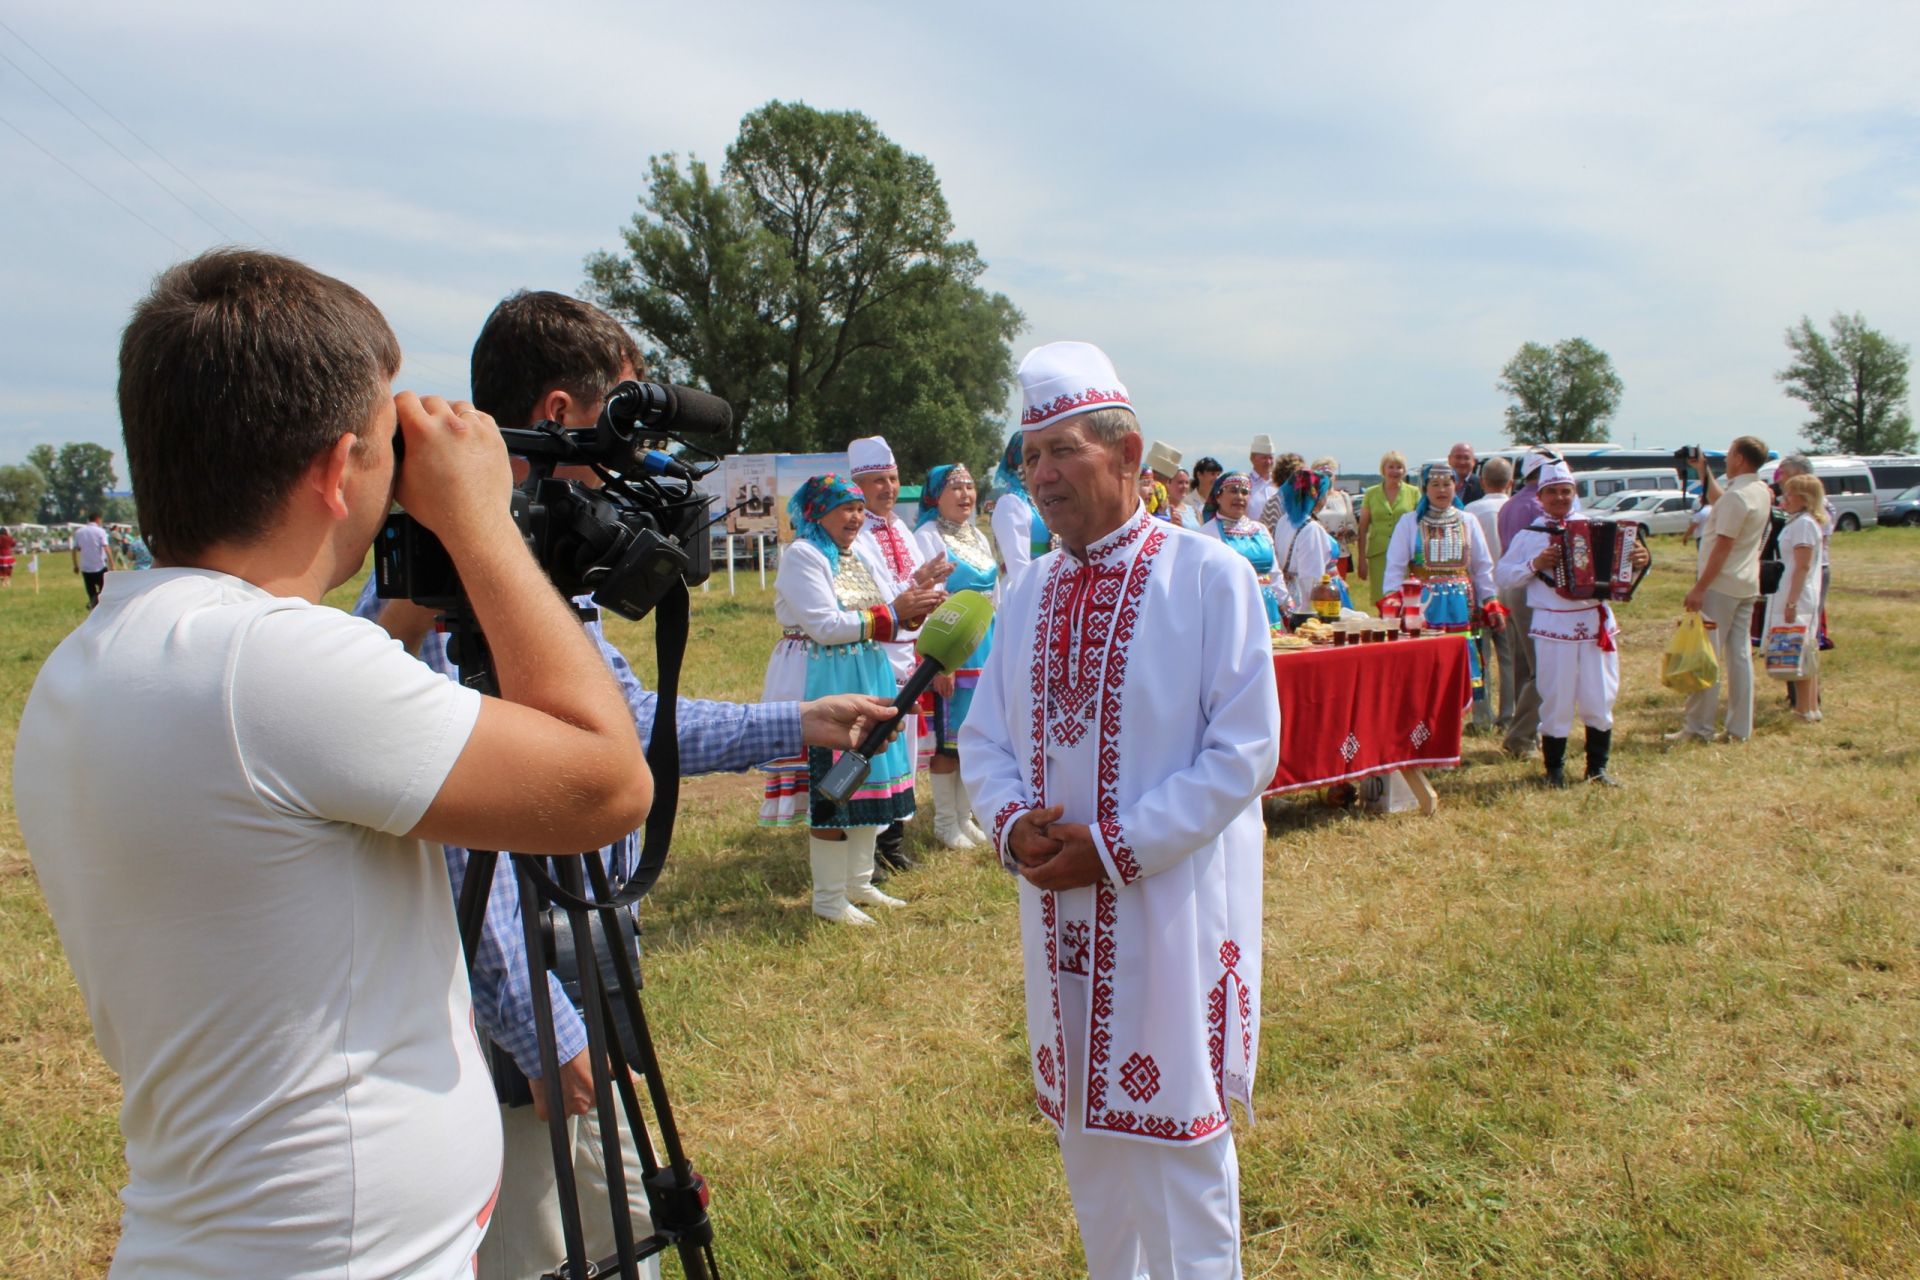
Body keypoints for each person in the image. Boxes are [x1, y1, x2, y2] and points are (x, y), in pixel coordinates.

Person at [13, 248, 669, 1278]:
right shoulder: (273, 666)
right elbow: (605, 784)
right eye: (382, 441)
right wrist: (480, 526)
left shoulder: (92, 663)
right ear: (333, 469)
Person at [360, 289, 901, 1280]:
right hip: (507, 1004)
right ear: (562, 413)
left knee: (622, 1236)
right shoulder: (438, 588)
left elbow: (628, 730)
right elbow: (442, 829)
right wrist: (542, 1022)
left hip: (581, 960)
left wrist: (796, 723)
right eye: (624, 413)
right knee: (550, 1244)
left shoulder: (543, 564)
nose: (635, 452)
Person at [960, 339, 1278, 1280]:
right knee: (1091, 1156)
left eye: (1063, 450)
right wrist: (1014, 824)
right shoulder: (1027, 591)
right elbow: (985, 741)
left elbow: (1245, 750)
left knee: (1181, 1155)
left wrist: (1115, 847)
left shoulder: (1208, 576)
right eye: (1029, 457)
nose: (1042, 475)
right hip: (1058, 920)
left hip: (1167, 913)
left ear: (1129, 456)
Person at [762, 474, 939, 924]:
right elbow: (823, 624)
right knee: (835, 784)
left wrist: (912, 601)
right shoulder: (803, 554)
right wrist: (893, 614)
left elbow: (885, 608)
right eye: (846, 508)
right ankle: (827, 898)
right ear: (817, 511)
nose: (857, 517)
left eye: (860, 508)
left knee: (869, 775)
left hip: (864, 668)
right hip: (821, 676)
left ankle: (859, 883)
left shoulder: (856, 553)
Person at [1495, 462, 1650, 786]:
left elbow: (1621, 576)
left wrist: (1638, 563)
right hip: (1553, 625)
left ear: (1574, 494)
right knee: (1555, 696)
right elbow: (1504, 575)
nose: (1560, 497)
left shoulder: (1593, 525)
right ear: (1541, 496)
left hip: (1595, 623)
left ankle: (1597, 768)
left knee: (1600, 694)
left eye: (1566, 491)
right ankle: (1554, 769)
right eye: (1552, 492)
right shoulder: (1531, 535)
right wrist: (1535, 564)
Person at [849, 435, 953, 872]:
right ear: (859, 486)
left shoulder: (901, 529)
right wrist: (917, 586)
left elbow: (914, 587)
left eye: (892, 479)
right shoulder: (856, 537)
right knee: (876, 746)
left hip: (909, 652)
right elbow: (876, 597)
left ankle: (892, 840)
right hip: (874, 650)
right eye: (878, 481)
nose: (888, 489)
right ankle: (867, 847)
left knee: (905, 750)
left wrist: (929, 589)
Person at [912, 463, 997, 846]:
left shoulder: (977, 535)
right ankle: (946, 821)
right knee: (950, 735)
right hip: (952, 641)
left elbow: (994, 592)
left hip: (984, 640)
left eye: (970, 486)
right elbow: (930, 597)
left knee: (973, 732)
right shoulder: (929, 536)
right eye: (955, 488)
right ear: (935, 496)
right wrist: (940, 661)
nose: (965, 495)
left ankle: (965, 817)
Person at [1671, 437, 1772, 744]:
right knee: (1739, 656)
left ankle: (1699, 727)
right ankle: (1740, 727)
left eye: (1729, 455)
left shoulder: (1737, 498)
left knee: (1707, 656)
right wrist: (1704, 472)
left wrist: (1700, 587)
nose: (1726, 459)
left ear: (1739, 458)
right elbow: (1721, 500)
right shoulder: (1759, 491)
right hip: (1745, 583)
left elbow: (1722, 545)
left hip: (1721, 584)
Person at [1382, 467, 1506, 699]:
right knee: (1425, 660)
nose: (1441, 490)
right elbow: (1395, 567)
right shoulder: (1410, 522)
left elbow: (1481, 565)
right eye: (1435, 485)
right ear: (1424, 489)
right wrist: (1393, 600)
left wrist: (1489, 599)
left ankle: (1459, 710)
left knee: (1460, 659)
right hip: (1423, 605)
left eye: (1447, 484)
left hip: (1461, 604)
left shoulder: (1468, 520)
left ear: (1456, 486)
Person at [1496, 448, 1566, 758]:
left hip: (1514, 587)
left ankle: (1526, 731)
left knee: (1524, 666)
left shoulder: (1512, 504)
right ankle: (1523, 735)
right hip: (1531, 588)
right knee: (1543, 667)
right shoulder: (1537, 508)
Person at [1768, 473, 1827, 722]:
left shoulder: (1803, 524)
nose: (1785, 498)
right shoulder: (1801, 521)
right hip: (1795, 593)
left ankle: (1804, 708)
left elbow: (1801, 566)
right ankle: (1810, 706)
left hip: (1797, 595)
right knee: (1806, 649)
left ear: (1805, 498)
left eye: (1790, 494)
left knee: (1797, 650)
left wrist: (1791, 601)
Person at [1465, 457, 1515, 730]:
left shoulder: (1471, 511)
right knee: (1510, 660)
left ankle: (1482, 716)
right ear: (1511, 483)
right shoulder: (1515, 508)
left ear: (1482, 482)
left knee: (1480, 659)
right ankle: (1509, 715)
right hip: (1510, 593)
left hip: (1478, 595)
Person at [1201, 471, 1288, 626]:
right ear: (1218, 496)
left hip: (1267, 605)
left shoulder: (1260, 530)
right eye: (1233, 491)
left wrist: (1286, 605)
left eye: (1244, 492)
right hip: (1231, 606)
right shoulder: (1207, 533)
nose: (1239, 497)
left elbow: (1274, 573)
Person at [1272, 466, 1349, 611]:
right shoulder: (1311, 529)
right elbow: (1312, 578)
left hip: (1289, 592)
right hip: (1316, 599)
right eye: (1325, 494)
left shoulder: (1284, 521)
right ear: (1316, 497)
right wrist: (1314, 611)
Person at [1356, 449, 1417, 610]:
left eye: (1399, 467)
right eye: (1391, 467)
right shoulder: (1371, 493)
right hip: (1379, 555)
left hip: (1407, 555)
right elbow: (1362, 528)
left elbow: (1420, 524)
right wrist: (1361, 559)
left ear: (1404, 471)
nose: (1395, 471)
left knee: (1407, 598)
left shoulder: (1414, 492)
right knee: (1382, 600)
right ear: (1383, 469)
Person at [992, 429, 1051, 585]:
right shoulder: (1011, 504)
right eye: (1034, 457)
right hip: (1025, 592)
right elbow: (1019, 569)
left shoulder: (1041, 500)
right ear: (1021, 462)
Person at [1311, 455, 1358, 571]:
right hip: (1317, 552)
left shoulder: (1344, 497)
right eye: (1322, 475)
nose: (1326, 478)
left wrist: (1347, 531)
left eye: (1329, 475)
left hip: (1340, 552)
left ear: (1334, 477)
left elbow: (1352, 524)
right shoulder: (1311, 498)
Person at [72, 510, 110, 608]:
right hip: (100, 565)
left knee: (90, 591)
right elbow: (106, 548)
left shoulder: (79, 532)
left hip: (86, 567)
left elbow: (74, 549)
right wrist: (112, 564)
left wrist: (75, 565)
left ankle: (93, 601)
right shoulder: (100, 531)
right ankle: (98, 601)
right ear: (98, 519)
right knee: (104, 589)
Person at [1247, 433, 1280, 518]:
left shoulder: (1279, 483)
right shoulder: (1245, 483)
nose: (1268, 462)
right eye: (1264, 458)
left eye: (1271, 458)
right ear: (1253, 458)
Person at [1447, 440, 1486, 505]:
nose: (1462, 462)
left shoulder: (1482, 485)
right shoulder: (1439, 484)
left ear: (1474, 462)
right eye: (1458, 457)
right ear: (1449, 459)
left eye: (1466, 458)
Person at [1188, 456, 1223, 522]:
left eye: (1218, 474)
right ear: (1199, 474)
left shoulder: (1220, 502)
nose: (1216, 478)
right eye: (1212, 474)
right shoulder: (1187, 502)